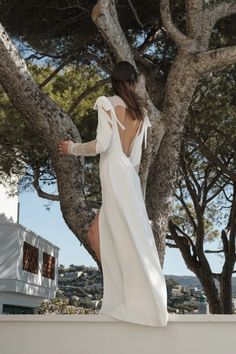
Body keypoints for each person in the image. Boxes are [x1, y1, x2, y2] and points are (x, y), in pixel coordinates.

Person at [58, 61, 169, 327]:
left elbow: (101, 144)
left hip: (113, 173)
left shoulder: (107, 103)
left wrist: (71, 148)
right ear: (133, 81)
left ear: (113, 81)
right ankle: (127, 298)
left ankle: (126, 301)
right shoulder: (141, 114)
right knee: (116, 233)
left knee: (112, 234)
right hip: (128, 176)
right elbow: (136, 159)